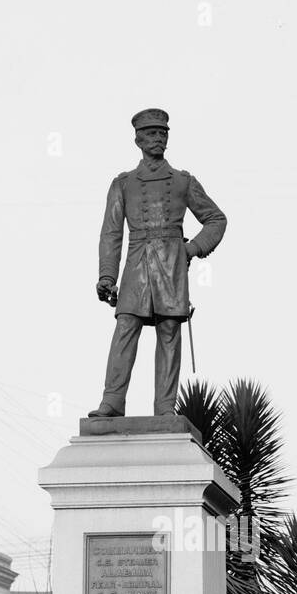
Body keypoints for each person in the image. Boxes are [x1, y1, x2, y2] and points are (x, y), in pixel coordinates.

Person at [89, 108, 227, 418]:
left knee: (168, 330)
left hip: (171, 265)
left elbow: (216, 219)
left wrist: (192, 250)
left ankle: (165, 407)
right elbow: (111, 233)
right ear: (137, 139)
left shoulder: (182, 181)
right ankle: (112, 402)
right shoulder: (123, 183)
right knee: (126, 326)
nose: (158, 138)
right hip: (137, 262)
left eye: (162, 133)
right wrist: (107, 276)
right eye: (151, 133)